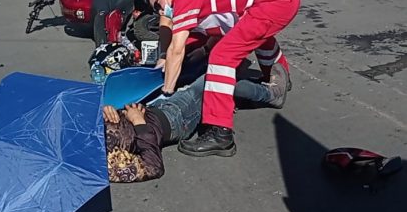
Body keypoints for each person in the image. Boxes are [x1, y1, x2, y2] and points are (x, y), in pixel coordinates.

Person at [148, 0, 301, 157]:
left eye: (158, 5)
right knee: (257, 35)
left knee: (221, 57)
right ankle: (280, 77)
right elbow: (222, 26)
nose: (161, 12)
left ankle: (220, 134)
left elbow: (176, 49)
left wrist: (167, 92)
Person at [103, 68, 289, 182]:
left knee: (204, 77)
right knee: (215, 77)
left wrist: (108, 111)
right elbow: (153, 166)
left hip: (156, 107)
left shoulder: (89, 133)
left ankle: (235, 96)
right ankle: (271, 94)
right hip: (174, 120)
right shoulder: (106, 166)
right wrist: (138, 122)